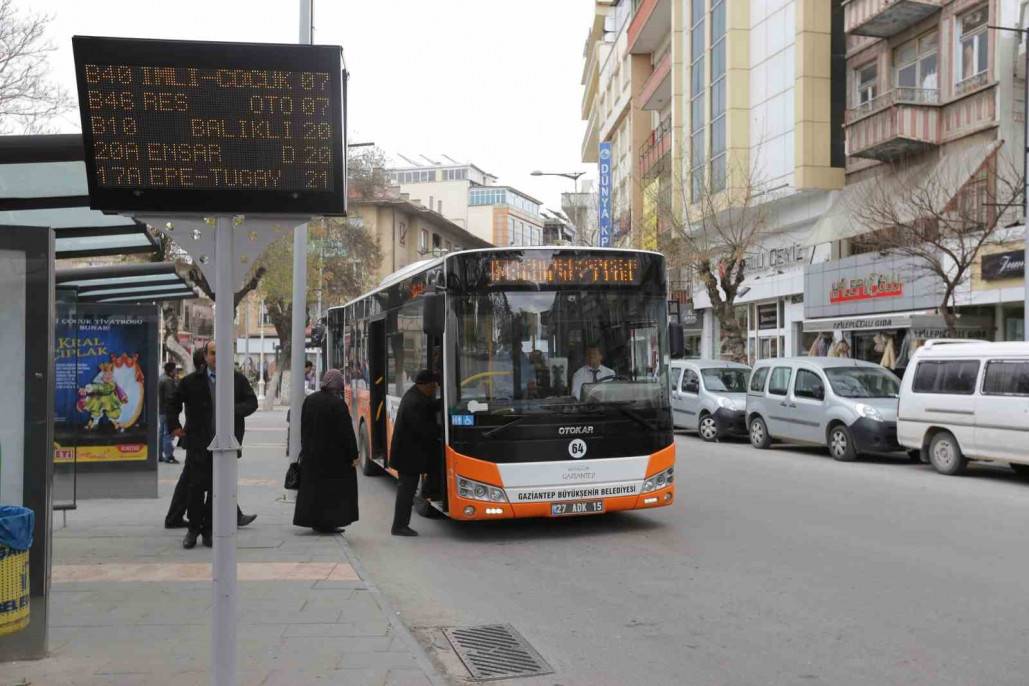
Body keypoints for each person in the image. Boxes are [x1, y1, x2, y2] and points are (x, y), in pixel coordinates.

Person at [167, 342, 258, 549]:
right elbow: (173, 402)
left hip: (226, 445)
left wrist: (232, 410)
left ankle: (209, 529)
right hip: (199, 444)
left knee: (218, 490)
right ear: (206, 356)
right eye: (213, 353)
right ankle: (193, 530)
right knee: (196, 488)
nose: (217, 357)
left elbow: (252, 402)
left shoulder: (237, 380)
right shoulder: (191, 381)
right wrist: (174, 426)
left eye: (221, 353)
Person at [293, 369, 360, 533]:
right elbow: (346, 433)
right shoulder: (337, 404)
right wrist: (353, 454)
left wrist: (305, 447)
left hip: (312, 454)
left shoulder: (310, 400)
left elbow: (304, 426)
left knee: (314, 491)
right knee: (331, 492)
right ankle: (328, 523)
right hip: (333, 458)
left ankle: (315, 522)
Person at [389, 369, 442, 537]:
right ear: (424, 385)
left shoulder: (417, 396)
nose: (434, 390)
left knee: (411, 488)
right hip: (407, 456)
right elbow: (422, 429)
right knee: (406, 493)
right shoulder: (414, 402)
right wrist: (440, 431)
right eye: (433, 387)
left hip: (412, 454)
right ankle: (399, 526)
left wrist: (443, 402)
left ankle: (427, 492)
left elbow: (429, 406)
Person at [158, 362, 180, 464]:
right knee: (168, 433)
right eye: (175, 369)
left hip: (161, 410)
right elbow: (171, 397)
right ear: (171, 371)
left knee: (162, 432)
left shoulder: (161, 378)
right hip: (168, 411)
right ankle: (169, 455)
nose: (176, 371)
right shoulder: (168, 381)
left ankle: (159, 455)